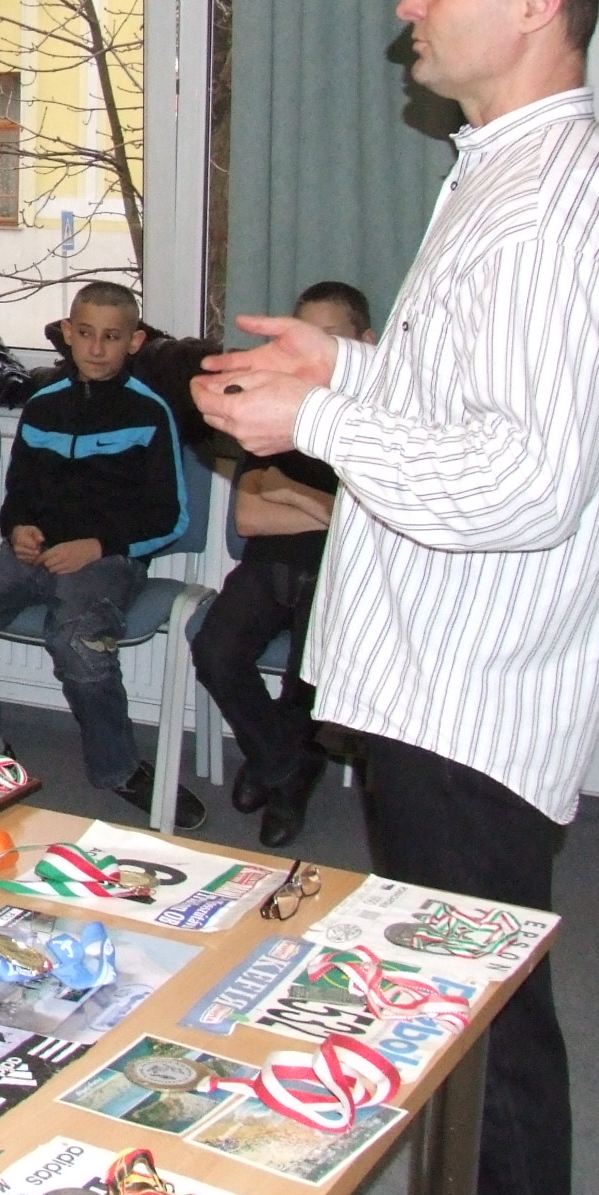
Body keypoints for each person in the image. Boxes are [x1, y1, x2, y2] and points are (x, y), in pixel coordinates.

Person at [192, 0, 599, 1195]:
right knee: (457, 998)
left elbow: (524, 480)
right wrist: (348, 368)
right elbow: (474, 402)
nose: (409, 4)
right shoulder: (509, 177)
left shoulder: (548, 211)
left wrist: (317, 422)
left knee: (488, 1017)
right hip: (441, 669)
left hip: (473, 684)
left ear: (538, 2)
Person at [0, 281, 199, 828]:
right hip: (33, 554)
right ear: (68, 334)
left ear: (134, 342)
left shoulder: (151, 412)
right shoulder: (43, 405)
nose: (97, 348)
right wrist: (18, 530)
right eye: (86, 333)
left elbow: (171, 517)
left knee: (76, 640)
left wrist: (98, 546)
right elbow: (18, 495)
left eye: (112, 337)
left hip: (107, 560)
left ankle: (118, 767)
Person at [191, 280, 373, 850]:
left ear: (366, 343)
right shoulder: (276, 410)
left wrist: (290, 494)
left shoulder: (373, 423)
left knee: (309, 674)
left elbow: (364, 525)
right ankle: (287, 765)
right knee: (216, 651)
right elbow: (249, 517)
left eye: (331, 337)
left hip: (341, 573)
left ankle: (275, 768)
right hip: (269, 564)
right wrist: (326, 509)